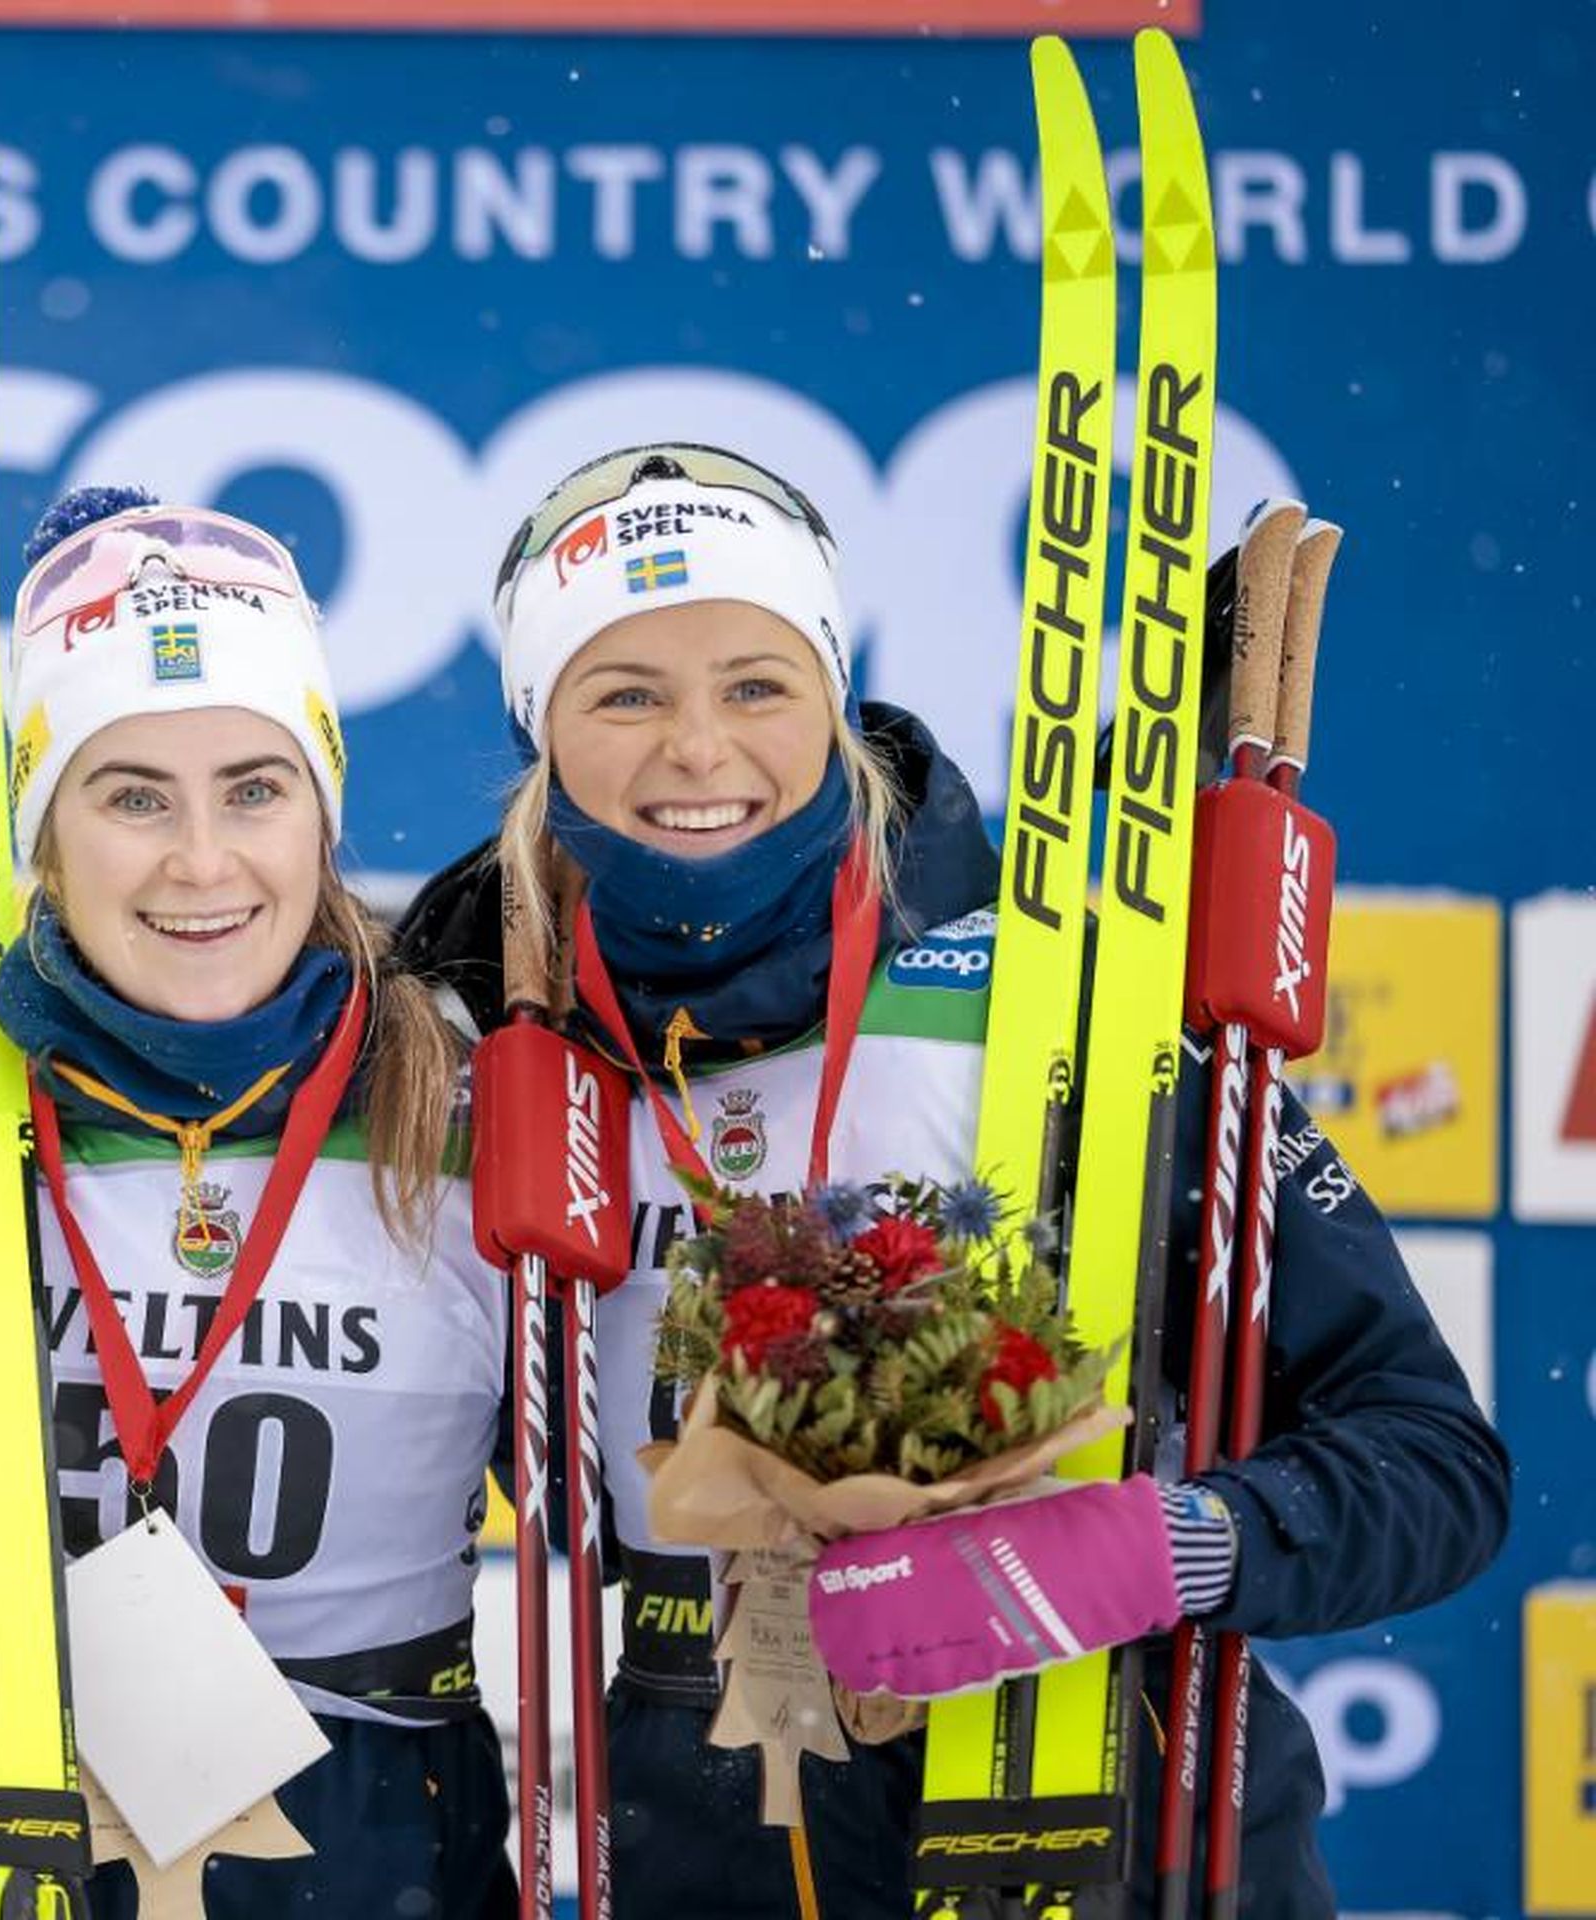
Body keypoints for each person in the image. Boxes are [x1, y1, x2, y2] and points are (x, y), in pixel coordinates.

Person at [396, 445, 1509, 1917]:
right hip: (708, 1832)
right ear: (542, 732)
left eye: (755, 683)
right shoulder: (468, 1048)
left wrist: (1158, 1548)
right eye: (623, 693)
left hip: (1108, 1807)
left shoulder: (1062, 1003)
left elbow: (1431, 1460)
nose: (698, 750)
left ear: (834, 699)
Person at [0, 487, 514, 1916]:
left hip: (366, 1825)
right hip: (14, 1807)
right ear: (44, 830)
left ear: (322, 812)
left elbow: (627, 1501)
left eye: (254, 788)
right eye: (132, 795)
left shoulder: (462, 1109)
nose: (202, 862)